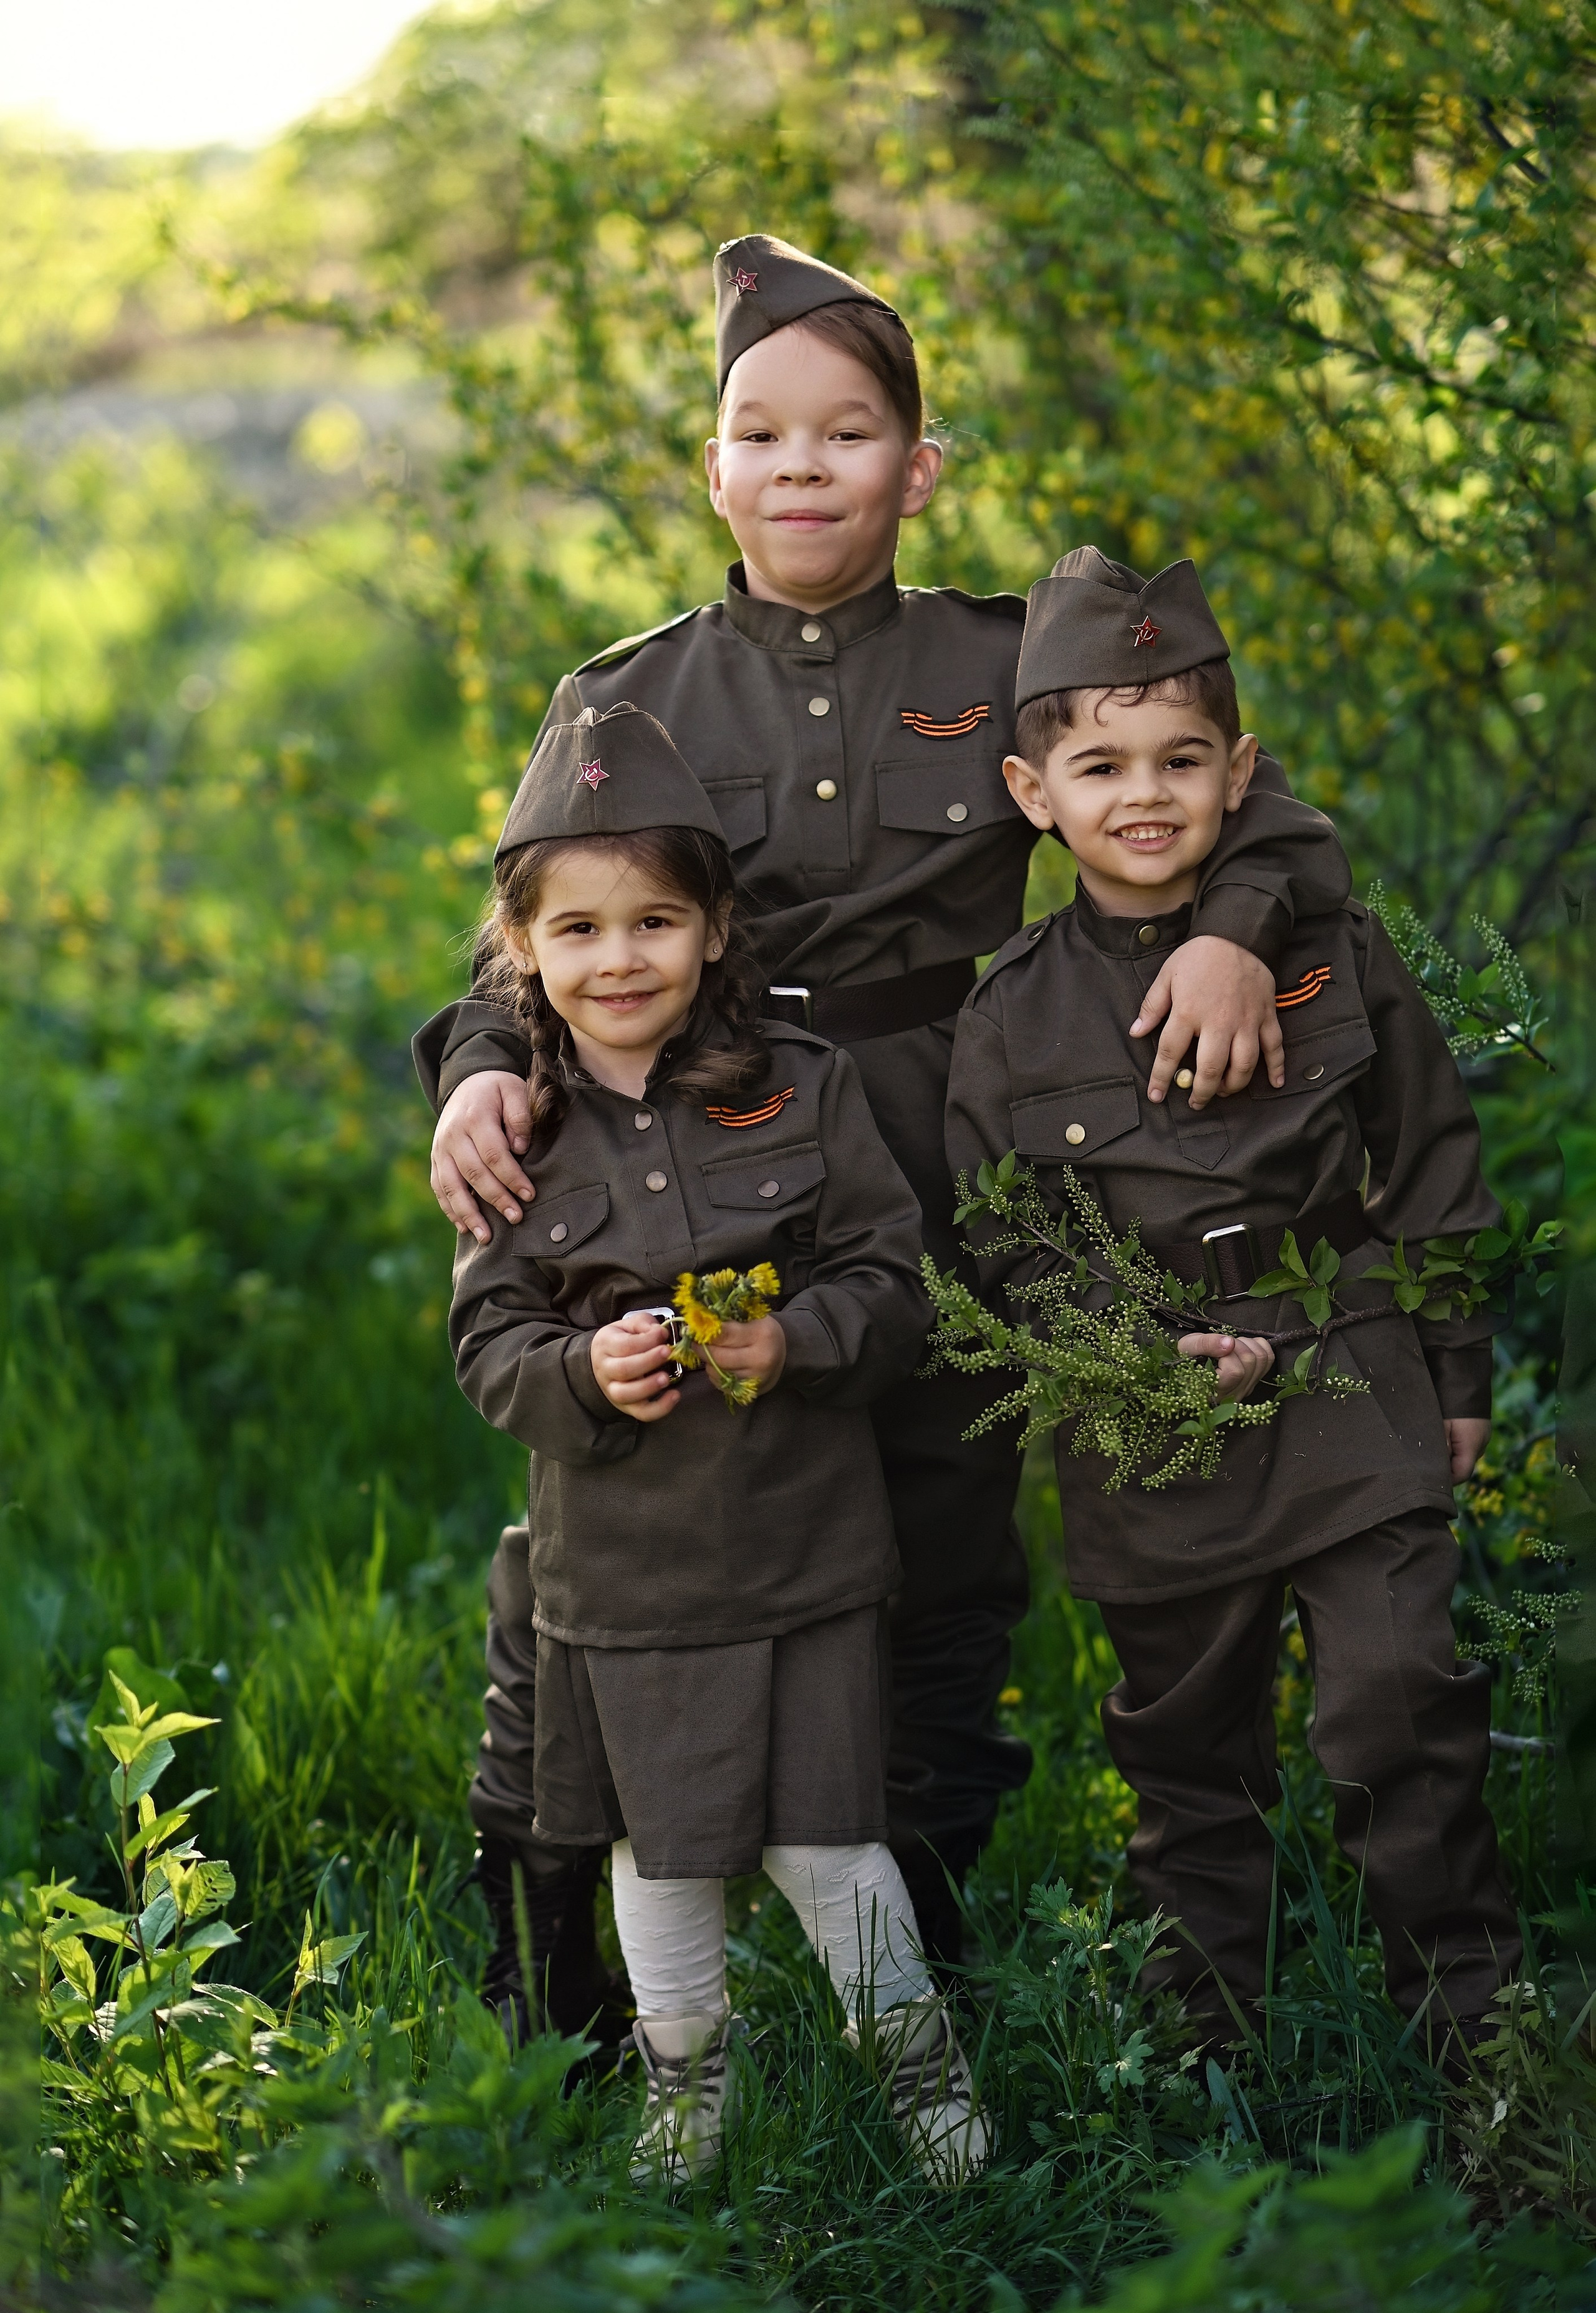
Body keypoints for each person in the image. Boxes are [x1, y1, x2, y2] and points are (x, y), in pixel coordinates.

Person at [413, 232, 1356, 2031]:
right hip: (669, 1146)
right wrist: (472, 1062)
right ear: (713, 468)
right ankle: (562, 1999)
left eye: (846, 434)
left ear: (916, 467)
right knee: (590, 1541)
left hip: (943, 1149)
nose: (802, 467)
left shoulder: (1007, 661)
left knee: (938, 1541)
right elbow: (527, 935)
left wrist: (1237, 926)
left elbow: (1251, 806)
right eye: (761, 434)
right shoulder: (636, 696)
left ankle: (919, 1948)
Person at [942, 545, 1521, 2057]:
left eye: (1180, 760)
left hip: (1347, 1367)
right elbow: (1008, 1234)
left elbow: (1429, 1158)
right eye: (1098, 763)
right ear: (1030, 795)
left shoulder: (1331, 954)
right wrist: (1128, 1357)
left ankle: (1476, 2027)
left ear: (1237, 771)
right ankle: (1208, 2051)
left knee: (1398, 1702)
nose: (1143, 795)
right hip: (1149, 1422)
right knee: (1189, 1748)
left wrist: (1457, 1371)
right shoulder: (1007, 1016)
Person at [448, 697, 988, 2186]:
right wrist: (579, 1367)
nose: (618, 960)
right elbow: (486, 1346)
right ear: (525, 952)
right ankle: (688, 2093)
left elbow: (894, 1279)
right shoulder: (514, 1134)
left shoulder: (804, 1089)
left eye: (655, 922)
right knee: (662, 1852)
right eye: (578, 931)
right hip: (625, 1571)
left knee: (826, 1844)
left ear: (715, 930)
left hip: (801, 1541)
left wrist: (792, 1339)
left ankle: (927, 2086)